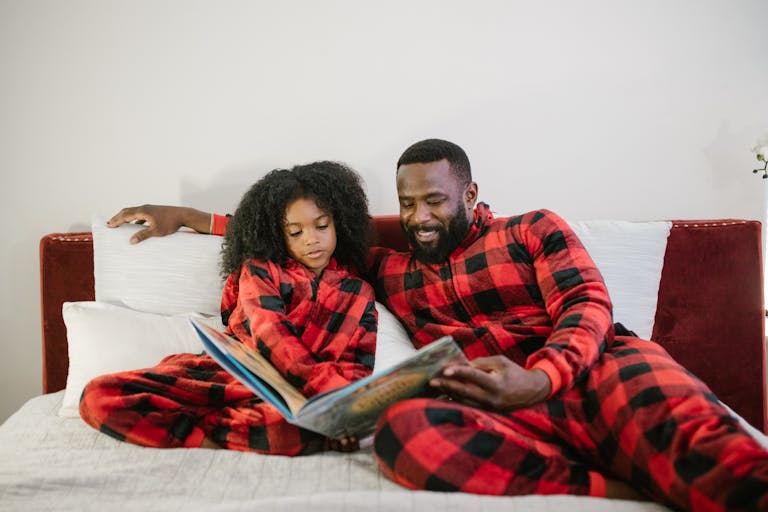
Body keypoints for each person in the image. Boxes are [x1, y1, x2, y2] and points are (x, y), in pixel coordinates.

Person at [107, 140, 768, 511]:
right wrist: (194, 219)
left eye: (434, 201)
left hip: (595, 372)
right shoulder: (388, 269)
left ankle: (653, 462)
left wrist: (541, 378)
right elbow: (300, 228)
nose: (419, 216)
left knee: (718, 458)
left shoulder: (533, 228)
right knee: (404, 434)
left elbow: (587, 308)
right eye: (406, 204)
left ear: (471, 196)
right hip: (499, 411)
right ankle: (614, 486)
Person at [80, 161, 377, 455]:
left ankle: (208, 432)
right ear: (277, 234)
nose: (312, 239)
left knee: (286, 428)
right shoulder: (261, 269)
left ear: (340, 221)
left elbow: (357, 366)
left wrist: (350, 414)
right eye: (295, 232)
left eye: (322, 225)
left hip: (291, 401)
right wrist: (335, 398)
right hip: (227, 379)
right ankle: (221, 438)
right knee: (99, 395)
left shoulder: (358, 292)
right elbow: (270, 335)